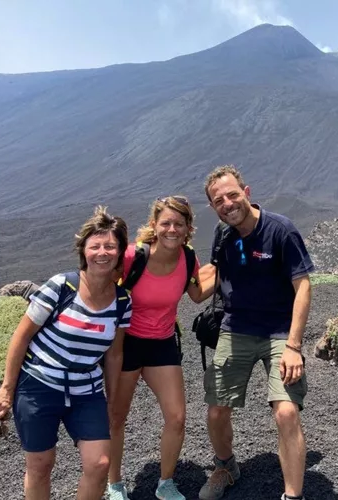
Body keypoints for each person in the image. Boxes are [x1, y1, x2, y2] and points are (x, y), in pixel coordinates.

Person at [0, 206, 132, 500]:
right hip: (39, 385)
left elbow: (114, 356)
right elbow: (21, 337)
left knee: (99, 463)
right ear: (84, 250)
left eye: (110, 246)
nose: (102, 252)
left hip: (86, 391)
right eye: (95, 246)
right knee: (41, 465)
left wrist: (113, 399)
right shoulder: (61, 286)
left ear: (120, 252)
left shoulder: (122, 301)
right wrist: (7, 387)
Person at [197, 165, 314, 500]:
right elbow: (212, 278)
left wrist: (293, 345)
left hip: (280, 332)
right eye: (219, 200)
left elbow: (303, 285)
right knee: (217, 409)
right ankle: (225, 467)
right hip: (236, 328)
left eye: (233, 195)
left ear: (246, 193)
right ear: (213, 207)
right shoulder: (223, 235)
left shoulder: (281, 230)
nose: (228, 203)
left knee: (286, 411)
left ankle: (293, 495)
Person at [106, 195, 215, 500]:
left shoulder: (188, 258)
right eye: (165, 223)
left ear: (188, 228)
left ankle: (165, 483)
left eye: (178, 224)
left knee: (177, 417)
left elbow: (195, 294)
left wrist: (227, 267)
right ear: (154, 225)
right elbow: (104, 286)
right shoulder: (132, 257)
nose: (172, 229)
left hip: (162, 343)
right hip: (125, 345)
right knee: (116, 417)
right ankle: (114, 484)